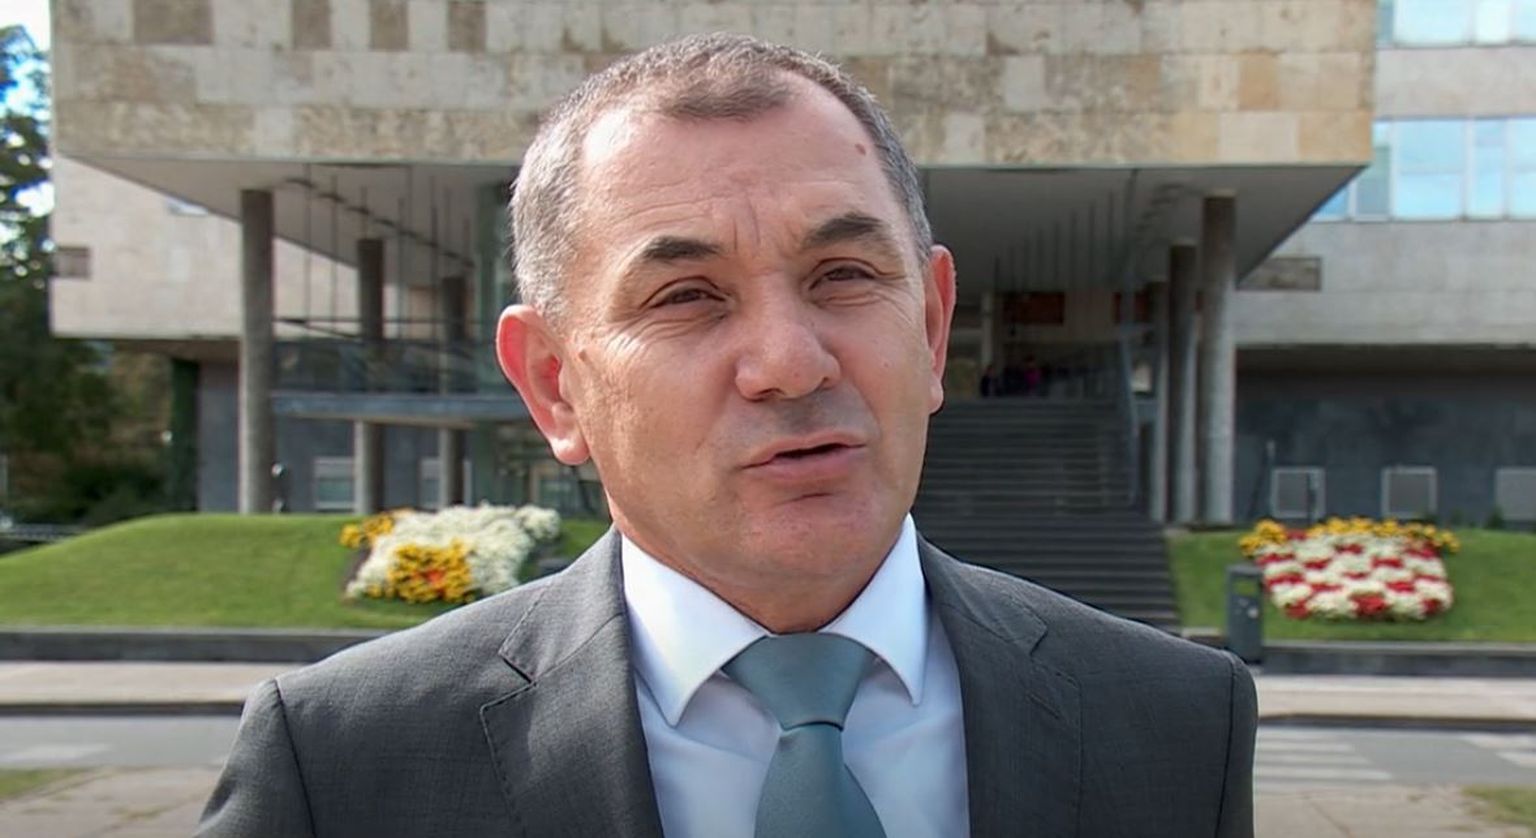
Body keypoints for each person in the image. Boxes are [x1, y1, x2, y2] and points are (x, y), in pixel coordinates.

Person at [198, 34, 1255, 838]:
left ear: (933, 328)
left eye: (844, 275)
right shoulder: (343, 764)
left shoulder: (1175, 723)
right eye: (687, 296)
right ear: (556, 385)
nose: (791, 362)